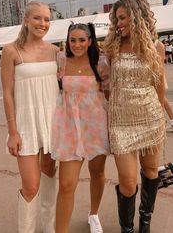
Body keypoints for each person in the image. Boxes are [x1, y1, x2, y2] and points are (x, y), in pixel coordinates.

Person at [104, 0, 166, 233]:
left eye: (122, 18)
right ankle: (126, 228)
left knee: (150, 172)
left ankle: (145, 220)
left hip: (150, 117)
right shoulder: (112, 46)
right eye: (116, 19)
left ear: (137, 16)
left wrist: (159, 116)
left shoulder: (156, 46)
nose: (118, 23)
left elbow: (159, 84)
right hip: (120, 122)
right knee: (128, 182)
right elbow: (107, 85)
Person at [0, 1, 59, 233]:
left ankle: (49, 227)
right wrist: (12, 132)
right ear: (26, 20)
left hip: (52, 123)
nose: (42, 23)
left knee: (50, 174)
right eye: (37, 18)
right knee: (31, 185)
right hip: (25, 126)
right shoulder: (11, 50)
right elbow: (7, 94)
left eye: (46, 19)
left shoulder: (55, 50)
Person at [51, 23, 110, 233]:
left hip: (95, 125)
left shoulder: (101, 63)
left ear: (90, 41)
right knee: (66, 184)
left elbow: (109, 94)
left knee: (97, 172)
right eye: (72, 40)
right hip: (68, 127)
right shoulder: (60, 60)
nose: (76, 44)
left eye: (81, 40)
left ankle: (93, 214)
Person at [154, 39, 173, 132]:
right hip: (156, 75)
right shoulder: (156, 43)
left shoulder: (156, 44)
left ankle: (167, 122)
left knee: (161, 99)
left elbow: (160, 62)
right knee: (162, 99)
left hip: (155, 76)